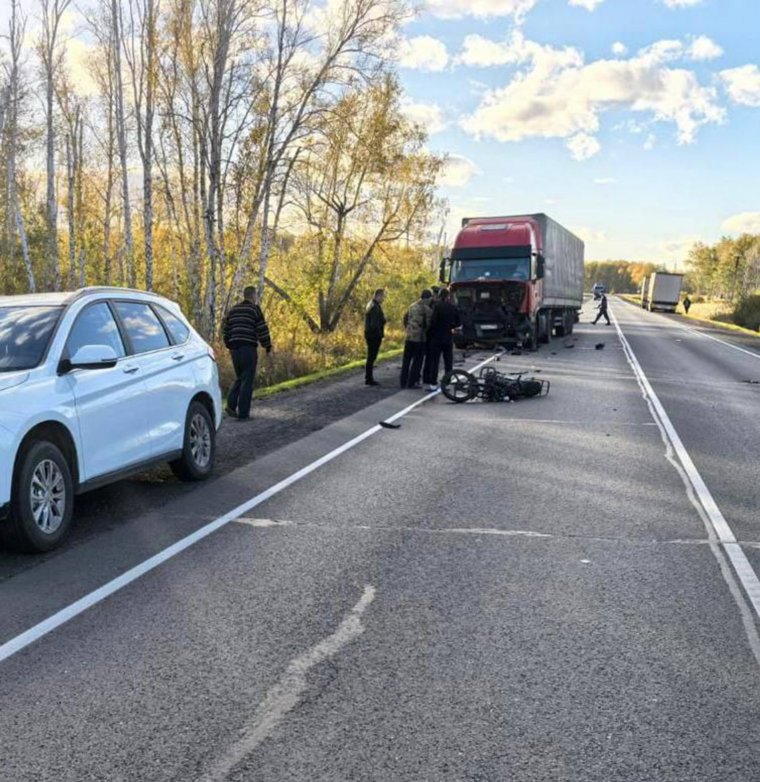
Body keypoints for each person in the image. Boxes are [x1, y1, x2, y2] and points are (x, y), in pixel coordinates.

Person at [223, 286, 272, 421]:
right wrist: (267, 346)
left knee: (240, 377)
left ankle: (231, 405)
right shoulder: (254, 310)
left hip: (235, 349)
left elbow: (226, 329)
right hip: (248, 348)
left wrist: (229, 344)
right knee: (247, 380)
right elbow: (262, 329)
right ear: (253, 296)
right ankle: (243, 414)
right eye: (256, 296)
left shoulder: (233, 310)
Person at [425, 288, 462, 391]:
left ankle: (433, 383)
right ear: (448, 296)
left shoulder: (437, 307)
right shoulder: (452, 307)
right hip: (448, 337)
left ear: (440, 296)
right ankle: (447, 382)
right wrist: (451, 326)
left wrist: (430, 333)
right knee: (448, 361)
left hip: (436, 338)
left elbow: (433, 322)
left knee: (435, 361)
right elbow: (458, 323)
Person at [400, 289, 433, 389]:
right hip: (419, 338)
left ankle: (403, 381)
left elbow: (405, 319)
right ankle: (412, 382)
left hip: (409, 337)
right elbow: (428, 325)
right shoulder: (427, 310)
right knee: (417, 361)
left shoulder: (412, 306)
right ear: (427, 298)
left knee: (406, 361)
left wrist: (408, 329)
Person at [364, 289, 386, 386]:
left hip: (370, 334)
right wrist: (378, 334)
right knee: (372, 356)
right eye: (382, 296)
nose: (383, 299)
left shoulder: (371, 305)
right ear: (378, 296)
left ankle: (369, 377)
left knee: (371, 356)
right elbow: (374, 324)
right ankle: (369, 378)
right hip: (374, 335)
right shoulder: (375, 308)